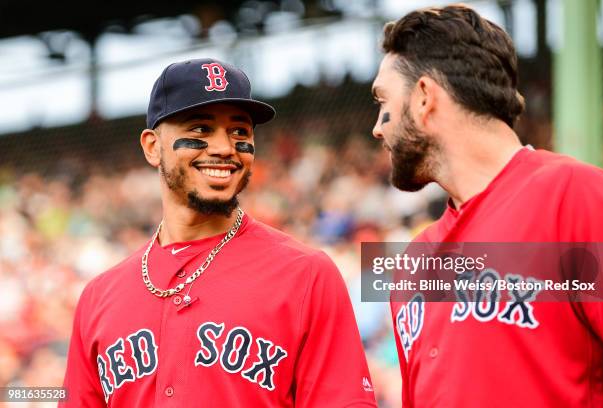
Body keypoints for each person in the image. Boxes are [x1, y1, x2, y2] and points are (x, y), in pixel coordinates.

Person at [60, 58, 377, 407]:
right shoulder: (99, 297)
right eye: (200, 129)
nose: (225, 147)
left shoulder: (307, 275)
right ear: (153, 147)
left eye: (240, 131)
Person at [370, 4, 603, 407]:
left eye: (383, 102)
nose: (378, 127)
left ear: (425, 97)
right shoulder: (414, 259)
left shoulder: (576, 195)